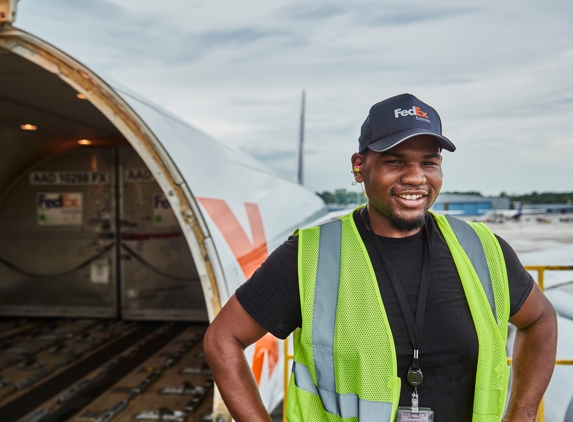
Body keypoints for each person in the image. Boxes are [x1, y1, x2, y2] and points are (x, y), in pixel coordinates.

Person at [204, 93, 557, 422]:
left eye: (429, 163)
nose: (416, 177)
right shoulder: (312, 255)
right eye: (395, 161)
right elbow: (223, 339)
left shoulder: (481, 248)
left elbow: (540, 319)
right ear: (360, 167)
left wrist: (522, 414)